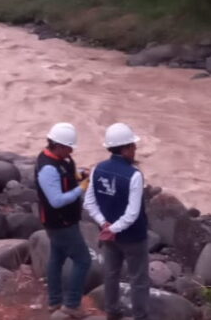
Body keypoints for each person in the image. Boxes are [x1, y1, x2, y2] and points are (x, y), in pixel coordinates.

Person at [84, 122, 149, 320]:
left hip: (109, 237)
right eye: (132, 145)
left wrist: (104, 224)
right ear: (125, 149)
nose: (135, 149)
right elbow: (132, 213)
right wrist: (113, 228)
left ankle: (112, 313)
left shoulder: (98, 169)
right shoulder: (134, 175)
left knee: (111, 276)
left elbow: (89, 202)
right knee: (138, 280)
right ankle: (140, 316)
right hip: (133, 237)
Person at [36, 122, 91, 318]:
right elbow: (56, 200)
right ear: (57, 145)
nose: (70, 151)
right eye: (68, 147)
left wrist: (77, 176)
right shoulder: (47, 169)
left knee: (57, 259)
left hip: (63, 221)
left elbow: (64, 176)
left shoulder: (60, 159)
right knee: (83, 260)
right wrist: (81, 188)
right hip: (60, 223)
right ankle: (71, 305)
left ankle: (54, 302)